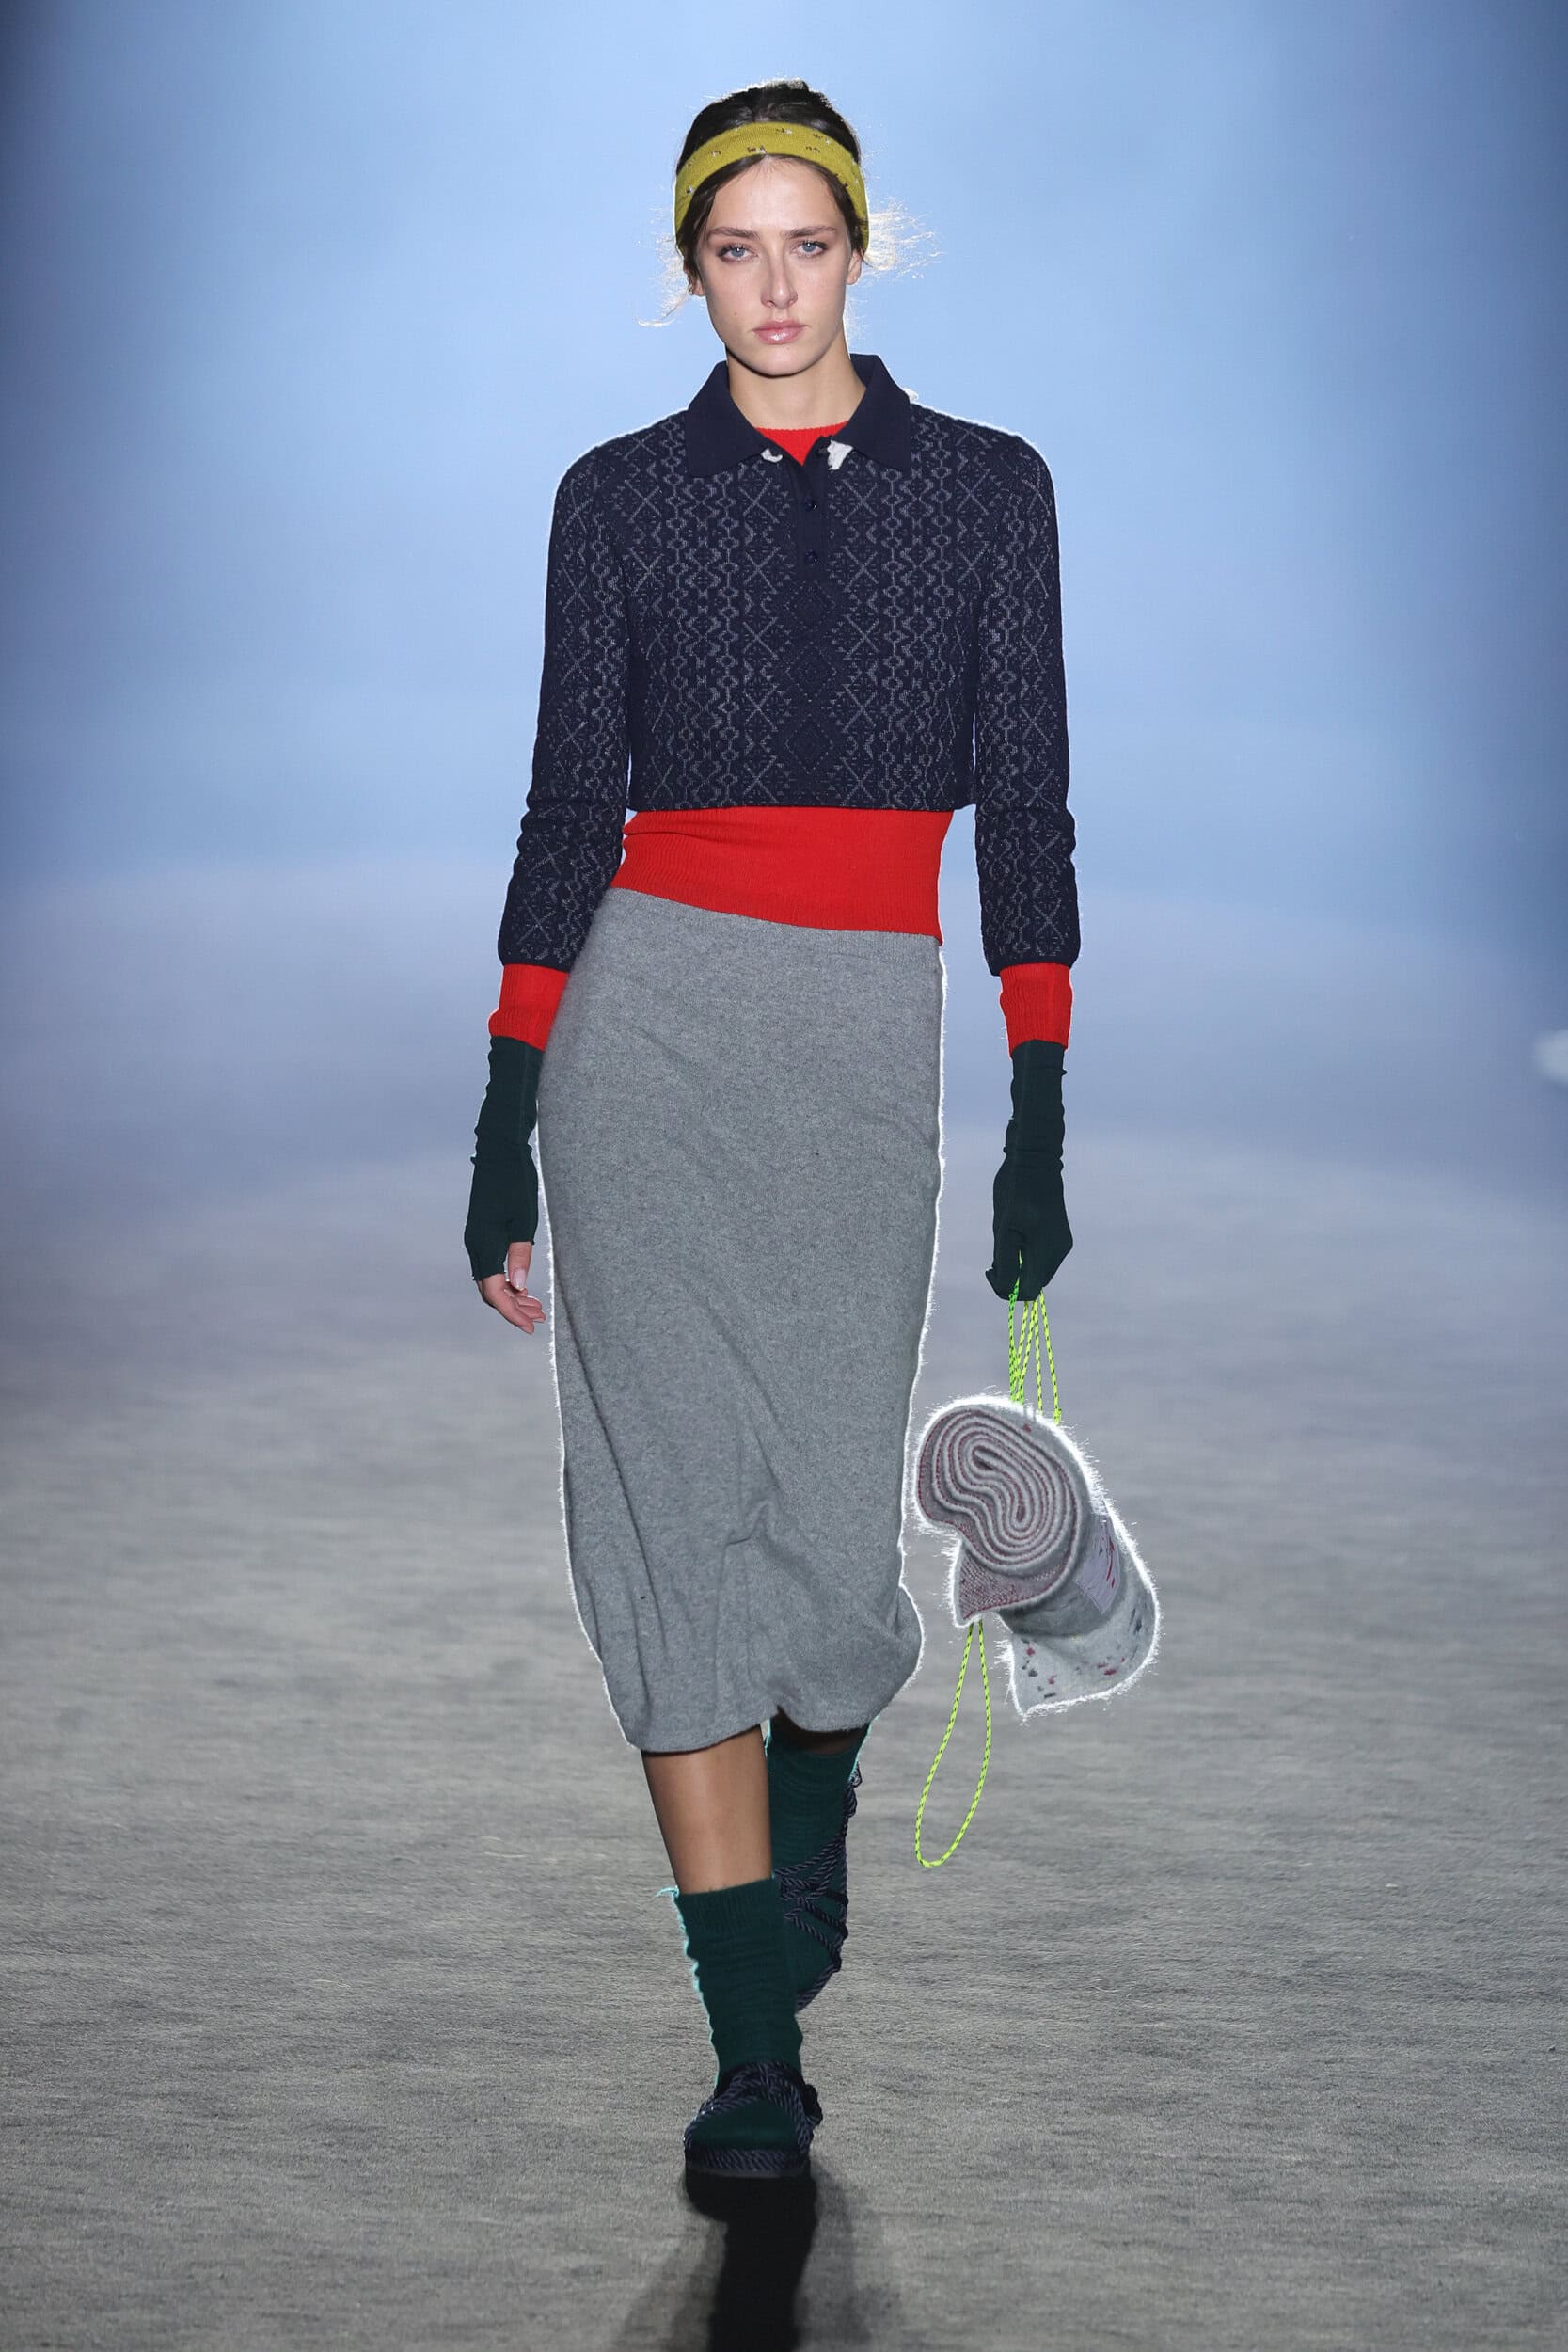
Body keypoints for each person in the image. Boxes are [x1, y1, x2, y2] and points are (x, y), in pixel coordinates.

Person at [463, 80, 1078, 2181]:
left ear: (861, 251)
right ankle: (751, 2053)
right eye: (738, 251)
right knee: (664, 1522)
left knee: (825, 1548)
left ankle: (806, 1820)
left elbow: (1030, 805)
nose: (779, 286)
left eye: (810, 245)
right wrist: (506, 1101)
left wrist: (1040, 1101)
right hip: (642, 1026)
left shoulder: (988, 490)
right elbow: (569, 800)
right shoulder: (619, 499)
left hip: (860, 1033)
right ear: (693, 269)